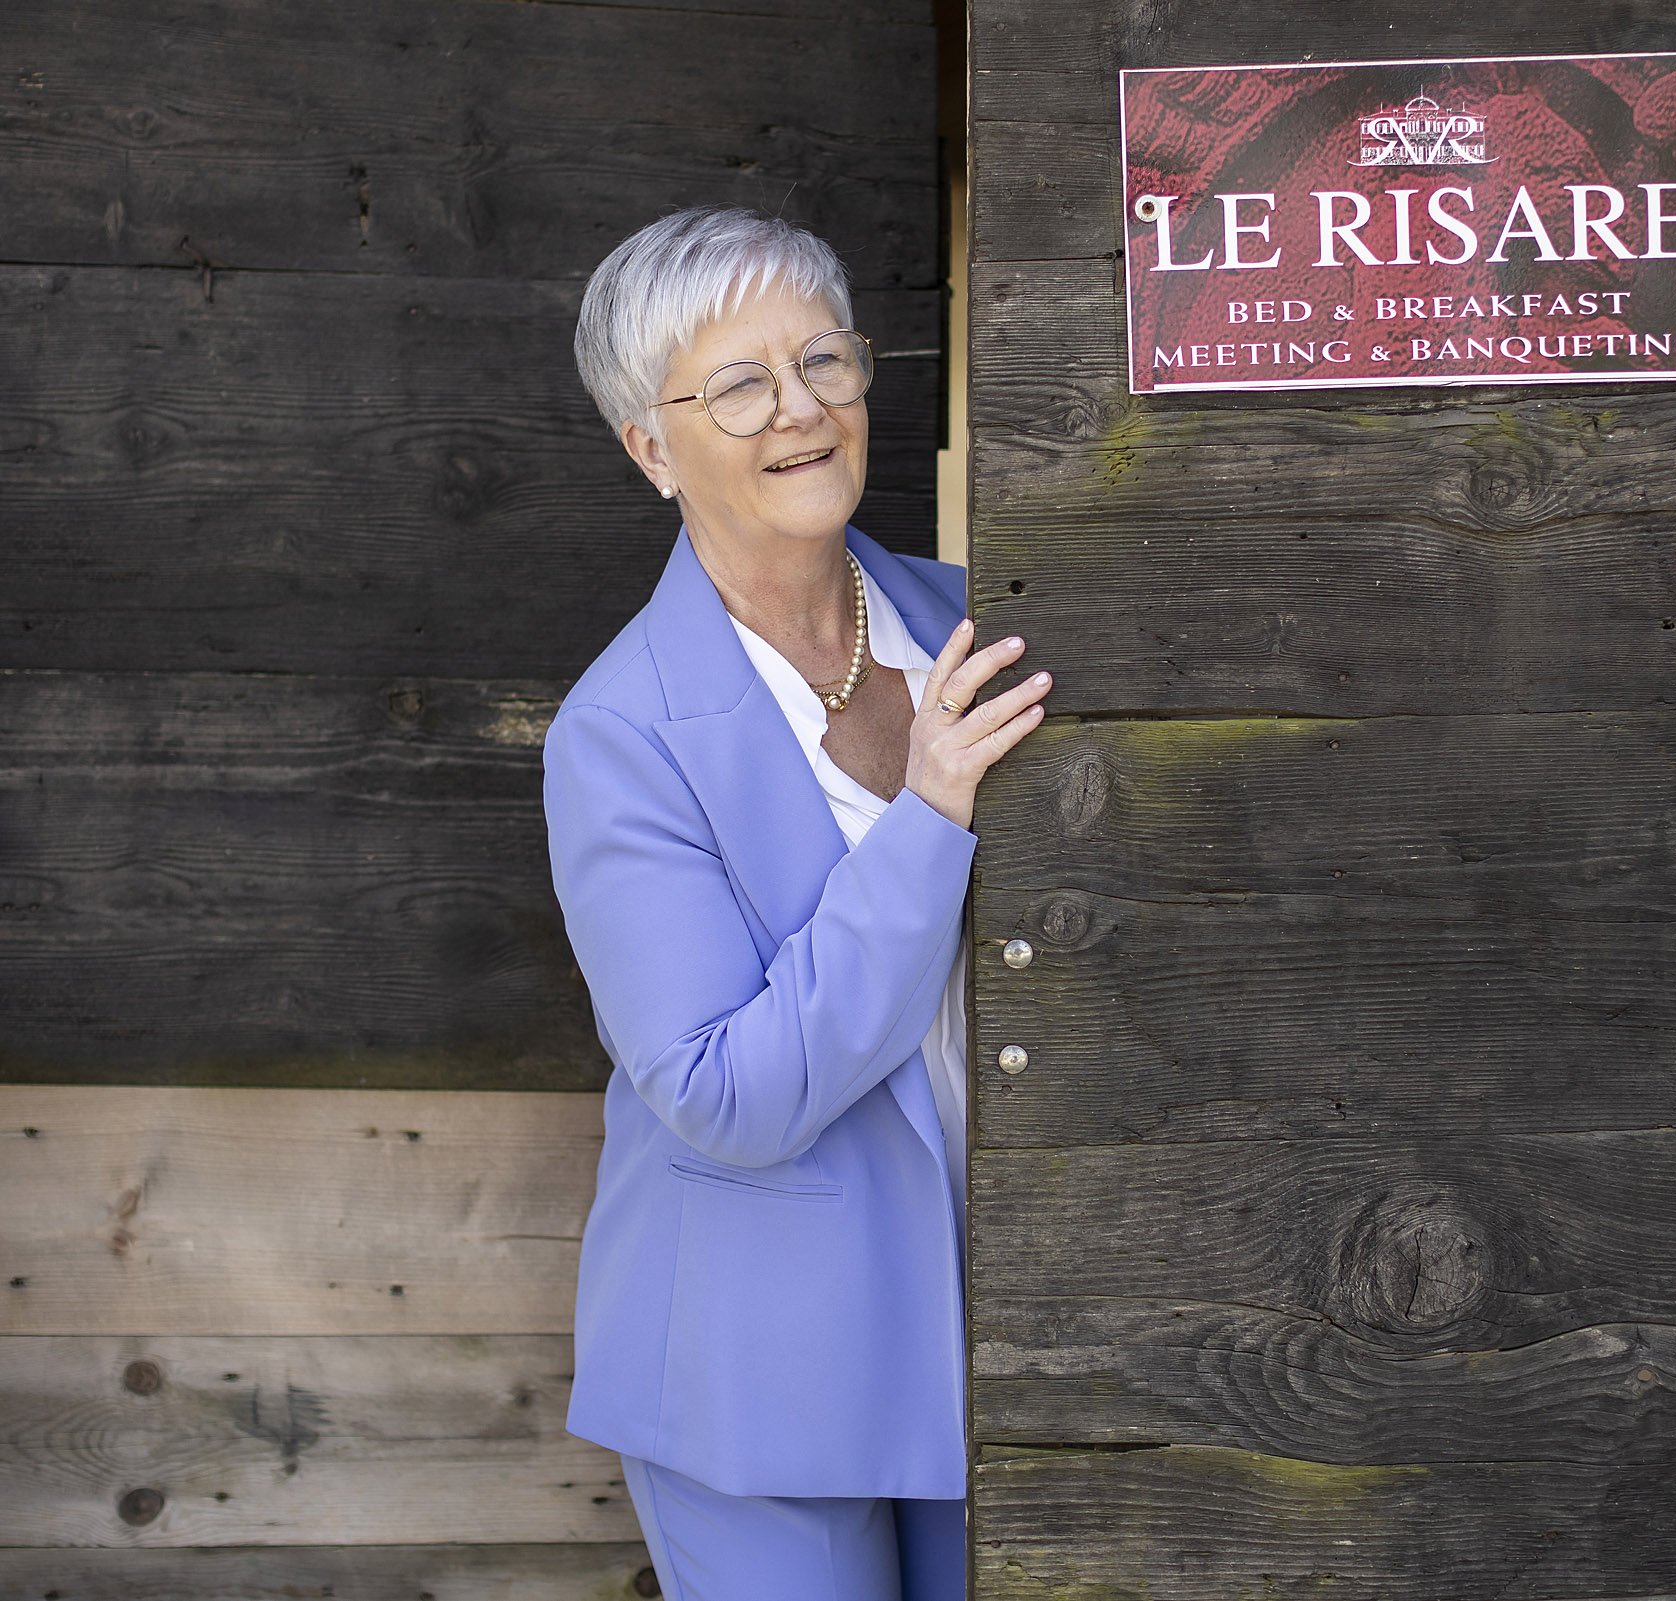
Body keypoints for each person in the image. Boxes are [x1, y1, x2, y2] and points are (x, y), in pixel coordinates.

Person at [542, 204, 1048, 1600]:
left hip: (1017, 1309)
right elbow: (722, 1089)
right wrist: (928, 813)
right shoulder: (619, 735)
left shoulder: (979, 625)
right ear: (652, 445)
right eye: (741, 384)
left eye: (824, 359)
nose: (803, 411)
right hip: (757, 1363)